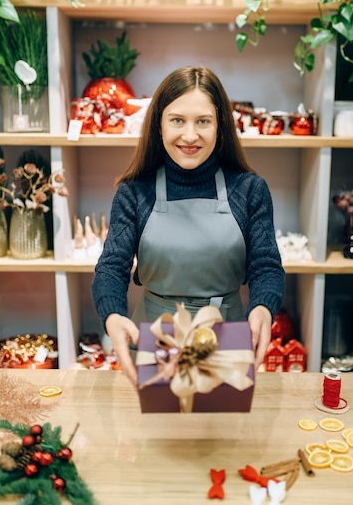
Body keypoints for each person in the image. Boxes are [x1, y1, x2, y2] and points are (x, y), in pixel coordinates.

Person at [91, 66, 285, 386]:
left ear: (220, 128)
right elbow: (111, 267)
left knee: (223, 431)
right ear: (159, 125)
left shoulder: (249, 190)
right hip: (155, 339)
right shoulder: (135, 192)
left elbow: (267, 266)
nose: (190, 135)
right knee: (156, 432)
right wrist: (112, 315)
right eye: (177, 120)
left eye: (203, 122)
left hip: (228, 337)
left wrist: (264, 307)